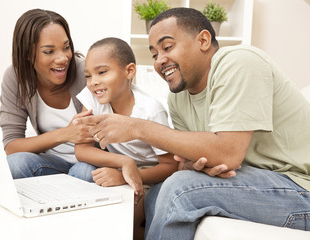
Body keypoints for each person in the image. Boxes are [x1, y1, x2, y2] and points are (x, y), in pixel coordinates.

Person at [73, 7, 310, 240]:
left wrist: (136, 127)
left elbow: (228, 152)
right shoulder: (178, 98)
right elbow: (189, 161)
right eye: (154, 54)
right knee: (157, 193)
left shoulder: (238, 61)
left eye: (167, 47)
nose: (160, 61)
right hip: (251, 181)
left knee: (181, 190)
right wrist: (195, 166)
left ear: (203, 40)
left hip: (299, 188)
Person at [73, 37, 178, 239]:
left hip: (151, 174)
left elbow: (170, 166)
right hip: (120, 166)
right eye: (88, 75)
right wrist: (123, 162)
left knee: (135, 205)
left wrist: (126, 176)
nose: (93, 81)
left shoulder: (150, 110)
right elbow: (81, 149)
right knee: (81, 171)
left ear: (129, 71)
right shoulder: (94, 97)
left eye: (102, 72)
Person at [0, 9, 94, 179]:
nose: (62, 58)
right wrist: (66, 133)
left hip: (91, 161)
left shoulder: (86, 72)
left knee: (83, 172)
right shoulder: (17, 78)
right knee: (15, 164)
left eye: (66, 47)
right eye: (49, 51)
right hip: (52, 163)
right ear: (28, 54)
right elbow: (12, 146)